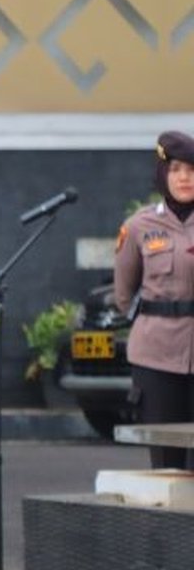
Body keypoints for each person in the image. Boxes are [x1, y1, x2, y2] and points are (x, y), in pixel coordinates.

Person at [114, 130, 194, 470]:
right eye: (176, 169)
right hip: (156, 356)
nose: (184, 178)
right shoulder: (139, 226)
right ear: (163, 174)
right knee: (165, 462)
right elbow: (123, 294)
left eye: (191, 170)